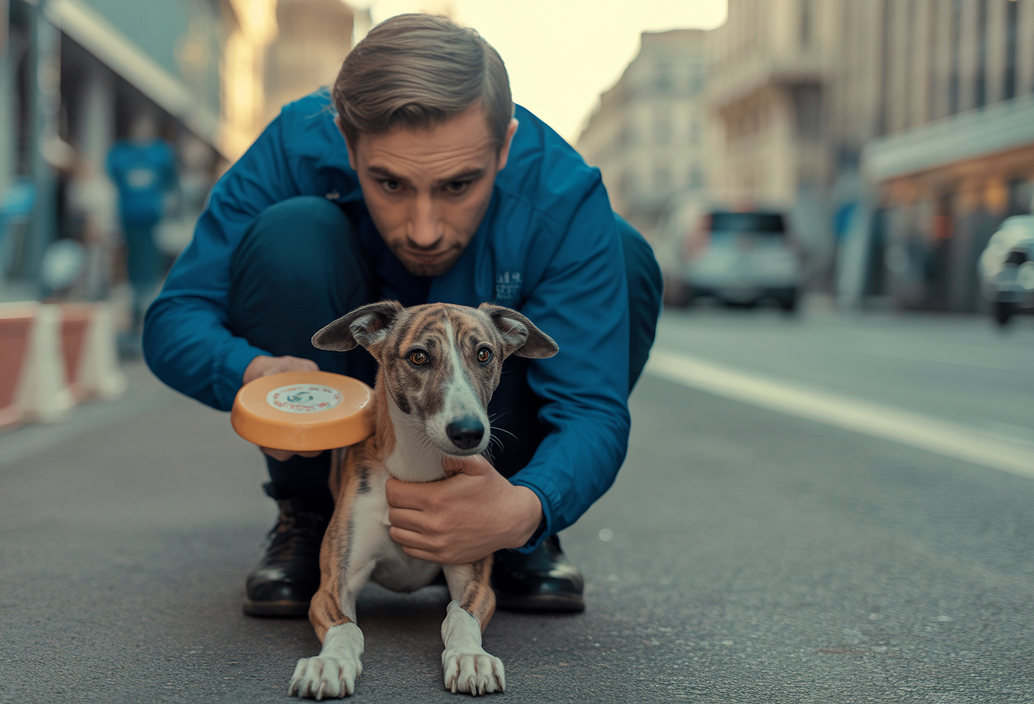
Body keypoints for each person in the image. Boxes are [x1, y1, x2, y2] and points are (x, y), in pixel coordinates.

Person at [143, 14, 663, 617]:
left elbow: (592, 407)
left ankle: (506, 527)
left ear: (505, 146)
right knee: (291, 235)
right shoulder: (290, 146)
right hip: (340, 411)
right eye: (389, 183)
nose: (423, 230)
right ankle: (311, 516)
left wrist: (530, 505)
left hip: (498, 443)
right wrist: (248, 369)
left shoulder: (562, 191)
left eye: (458, 185)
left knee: (626, 257)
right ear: (345, 140)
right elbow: (175, 316)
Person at [107, 113, 178, 333]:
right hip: (128, 221)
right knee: (131, 268)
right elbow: (113, 182)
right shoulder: (120, 154)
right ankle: (134, 313)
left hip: (153, 223)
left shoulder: (161, 154)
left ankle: (147, 314)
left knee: (150, 268)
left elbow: (171, 184)